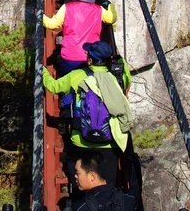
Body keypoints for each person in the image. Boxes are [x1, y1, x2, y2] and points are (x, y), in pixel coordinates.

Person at [43, 41, 132, 197]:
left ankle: (81, 200)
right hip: (110, 143)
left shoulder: (77, 76)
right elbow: (127, 79)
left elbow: (54, 87)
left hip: (82, 141)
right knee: (108, 190)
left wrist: (42, 72)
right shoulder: (117, 78)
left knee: (75, 168)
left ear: (90, 60)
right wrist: (120, 61)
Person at [43, 0, 117, 76]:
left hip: (69, 56)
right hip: (90, 57)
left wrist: (40, 15)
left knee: (66, 82)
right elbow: (112, 18)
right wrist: (110, 6)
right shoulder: (99, 10)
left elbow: (51, 24)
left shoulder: (66, 8)